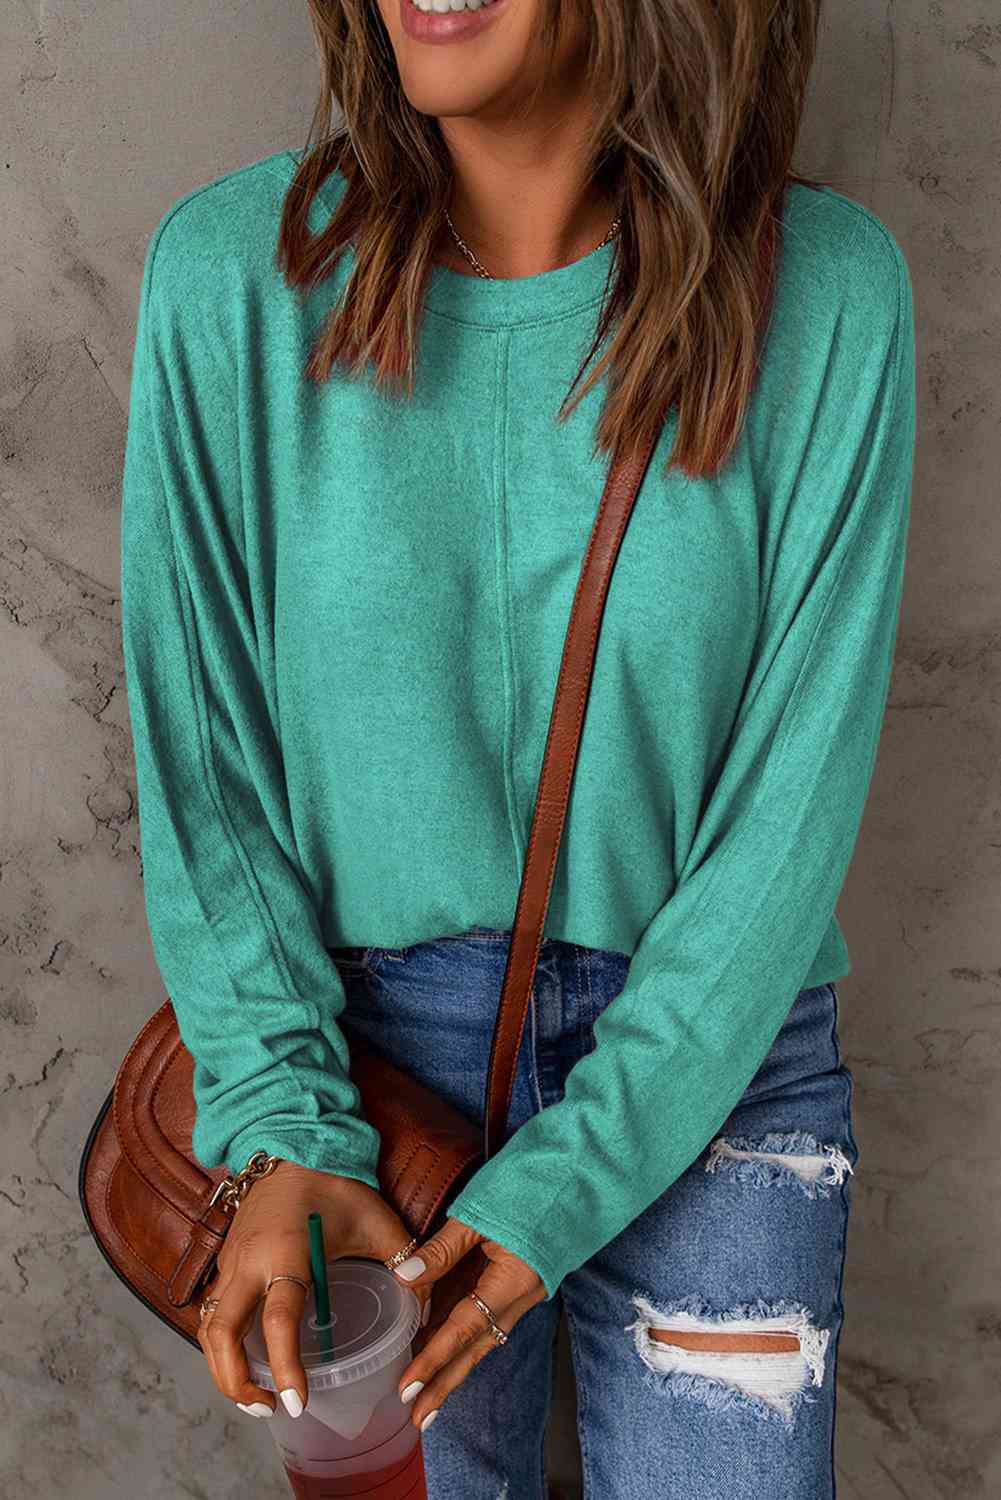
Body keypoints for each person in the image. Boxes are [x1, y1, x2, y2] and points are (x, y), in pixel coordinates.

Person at [119, 0, 917, 1495]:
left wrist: (574, 1175)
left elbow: (789, 811)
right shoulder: (236, 276)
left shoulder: (821, 294)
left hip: (714, 1063)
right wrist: (288, 1121)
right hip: (366, 1087)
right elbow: (203, 770)